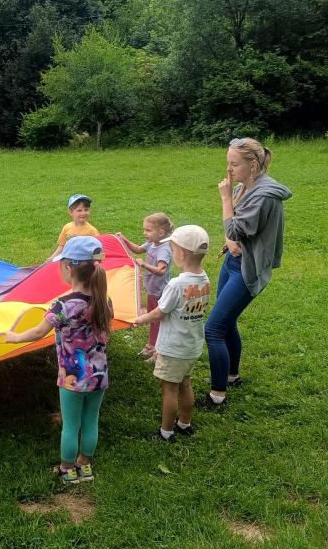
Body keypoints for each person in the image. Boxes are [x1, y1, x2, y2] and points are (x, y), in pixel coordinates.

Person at [6, 237, 112, 483]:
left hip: (72, 377)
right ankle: (85, 466)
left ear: (69, 268)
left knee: (71, 425)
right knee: (91, 422)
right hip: (99, 375)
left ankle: (67, 469)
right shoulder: (105, 300)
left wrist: (15, 337)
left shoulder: (63, 305)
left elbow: (37, 332)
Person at [200, 138, 291, 410]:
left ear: (253, 165)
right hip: (232, 262)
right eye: (228, 163)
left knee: (213, 329)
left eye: (234, 164)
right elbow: (232, 234)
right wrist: (230, 242)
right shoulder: (244, 187)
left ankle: (217, 395)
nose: (229, 170)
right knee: (226, 322)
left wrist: (226, 198)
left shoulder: (264, 195)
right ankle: (232, 376)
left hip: (247, 269)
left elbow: (233, 229)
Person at [132, 225, 211, 442]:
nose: (172, 252)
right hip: (191, 346)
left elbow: (159, 312)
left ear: (182, 253)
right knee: (185, 383)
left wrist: (140, 319)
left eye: (173, 249)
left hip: (173, 348)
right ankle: (184, 424)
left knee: (169, 389)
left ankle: (166, 432)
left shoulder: (177, 284)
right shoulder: (204, 279)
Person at [117, 213, 173, 359]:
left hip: (159, 292)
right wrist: (124, 239)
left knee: (157, 321)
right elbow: (137, 249)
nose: (144, 233)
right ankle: (153, 345)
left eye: (148, 230)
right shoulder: (152, 243)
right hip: (152, 289)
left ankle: (156, 349)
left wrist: (144, 264)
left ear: (160, 232)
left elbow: (161, 270)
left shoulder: (164, 249)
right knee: (154, 320)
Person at [49, 194, 100, 261]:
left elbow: (98, 250)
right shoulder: (67, 227)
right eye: (79, 210)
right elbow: (61, 246)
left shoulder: (92, 231)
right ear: (70, 212)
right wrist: (52, 258)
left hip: (84, 262)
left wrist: (97, 263)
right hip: (68, 260)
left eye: (86, 210)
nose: (83, 213)